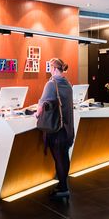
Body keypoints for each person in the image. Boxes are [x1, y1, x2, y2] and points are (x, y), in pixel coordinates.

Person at [36, 58, 74, 199]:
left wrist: (36, 113)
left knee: (58, 158)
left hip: (56, 129)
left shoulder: (51, 84)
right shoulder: (67, 84)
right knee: (64, 156)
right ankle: (63, 185)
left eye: (49, 67)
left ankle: (63, 188)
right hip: (67, 128)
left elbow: (41, 105)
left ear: (53, 68)